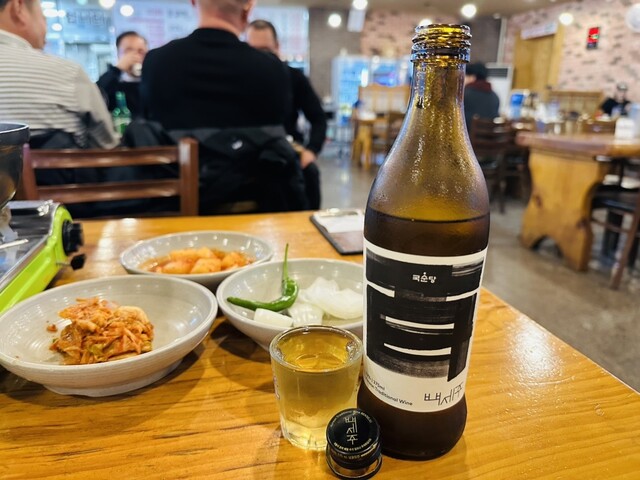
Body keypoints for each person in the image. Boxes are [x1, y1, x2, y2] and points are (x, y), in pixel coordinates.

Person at [139, 0, 307, 214]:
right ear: (248, 8)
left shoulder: (157, 62)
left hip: (177, 209)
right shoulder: (272, 69)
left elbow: (150, 129)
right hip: (260, 207)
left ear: (193, 2)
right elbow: (279, 129)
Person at [0, 0, 117, 149]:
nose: (46, 28)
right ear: (18, 8)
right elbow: (107, 143)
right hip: (67, 163)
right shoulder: (68, 72)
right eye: (44, 18)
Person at [246, 19, 326, 209]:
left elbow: (318, 118)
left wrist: (311, 150)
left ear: (277, 47)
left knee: (310, 174)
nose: (261, 57)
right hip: (249, 152)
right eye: (254, 50)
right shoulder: (239, 79)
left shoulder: (294, 77)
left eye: (266, 50)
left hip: (288, 150)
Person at [96, 31, 148, 118]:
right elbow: (96, 96)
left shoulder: (152, 80)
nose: (135, 56)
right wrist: (118, 69)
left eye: (141, 52)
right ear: (118, 53)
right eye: (129, 51)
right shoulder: (112, 80)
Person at [463, 62, 500, 133]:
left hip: (469, 138)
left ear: (473, 77)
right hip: (490, 137)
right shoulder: (495, 96)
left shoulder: (464, 94)